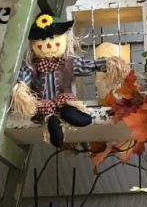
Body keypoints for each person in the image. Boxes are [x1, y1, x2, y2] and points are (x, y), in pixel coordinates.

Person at [12, 13, 128, 147]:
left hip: (64, 99)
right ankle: (53, 124)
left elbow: (85, 66)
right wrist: (20, 90)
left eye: (52, 38)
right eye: (42, 40)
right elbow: (23, 79)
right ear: (33, 45)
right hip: (43, 103)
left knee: (67, 105)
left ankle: (70, 113)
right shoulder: (32, 68)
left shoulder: (68, 63)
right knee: (46, 114)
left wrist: (106, 64)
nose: (48, 44)